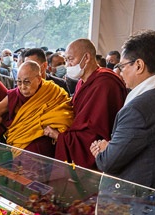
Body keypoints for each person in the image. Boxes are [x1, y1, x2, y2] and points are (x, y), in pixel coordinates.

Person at [91, 30, 155, 191]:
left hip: (132, 201)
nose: (120, 72)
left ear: (139, 65)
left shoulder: (138, 109)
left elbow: (108, 162)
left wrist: (104, 150)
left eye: (122, 66)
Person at [53, 39, 127, 169]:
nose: (68, 65)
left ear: (86, 57)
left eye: (71, 59)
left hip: (96, 152)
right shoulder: (82, 82)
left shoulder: (105, 83)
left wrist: (60, 137)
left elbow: (96, 131)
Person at [0, 60, 74, 157]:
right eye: (19, 82)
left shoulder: (52, 92)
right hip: (19, 149)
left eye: (27, 82)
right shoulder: (15, 94)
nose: (22, 87)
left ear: (39, 79)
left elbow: (65, 117)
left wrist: (54, 131)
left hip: (45, 152)